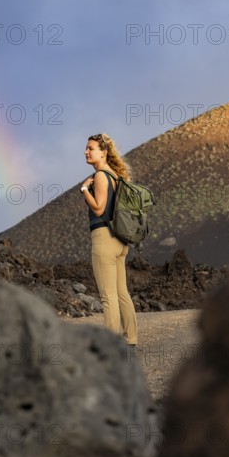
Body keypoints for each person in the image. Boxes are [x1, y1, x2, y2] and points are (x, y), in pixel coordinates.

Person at [80, 133, 138, 346]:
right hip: (120, 241)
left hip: (104, 238)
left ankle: (111, 346)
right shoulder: (115, 176)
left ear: (103, 153)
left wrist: (85, 189)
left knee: (108, 296)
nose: (86, 152)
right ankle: (131, 339)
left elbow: (98, 207)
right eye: (86, 148)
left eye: (91, 148)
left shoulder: (103, 176)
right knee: (122, 292)